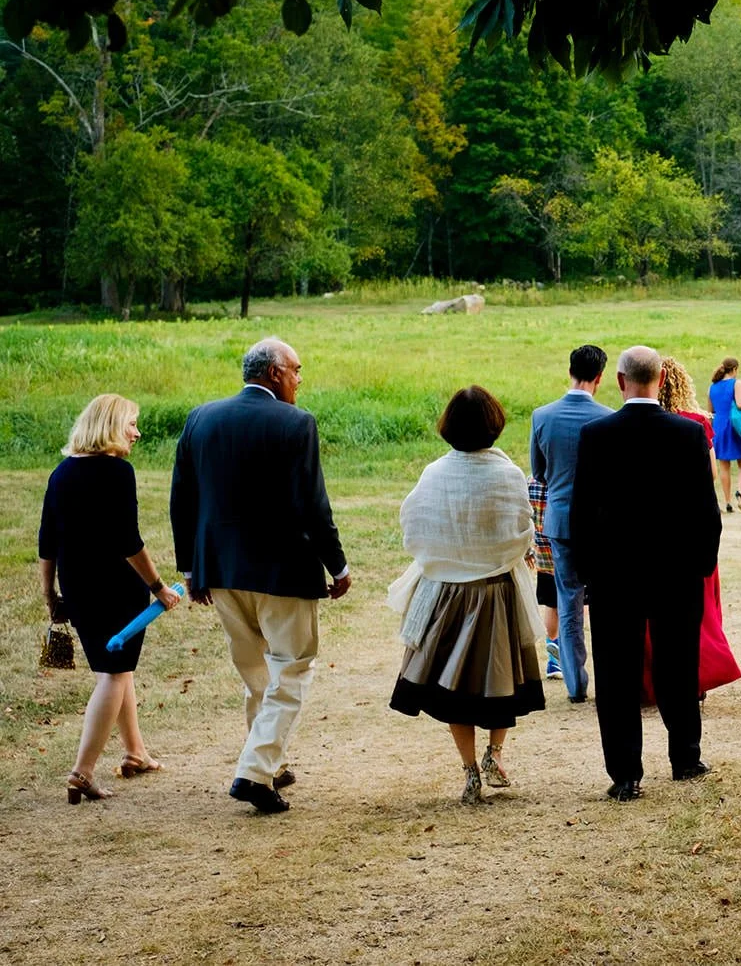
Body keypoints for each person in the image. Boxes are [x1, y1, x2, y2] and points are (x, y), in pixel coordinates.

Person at [170, 337, 351, 814]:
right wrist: (338, 564)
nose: (299, 379)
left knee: (254, 669)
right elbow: (313, 504)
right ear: (274, 373)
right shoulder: (296, 423)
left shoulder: (200, 418)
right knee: (291, 668)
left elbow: (182, 498)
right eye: (295, 370)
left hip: (222, 570)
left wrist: (190, 567)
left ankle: (269, 759)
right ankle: (254, 771)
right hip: (283, 570)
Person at [571, 347, 722, 801]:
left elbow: (580, 513)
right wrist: (701, 565)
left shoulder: (596, 435)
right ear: (660, 380)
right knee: (678, 665)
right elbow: (706, 513)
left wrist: (587, 573)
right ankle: (686, 757)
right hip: (676, 572)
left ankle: (624, 773)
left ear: (620, 381)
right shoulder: (686, 435)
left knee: (617, 674)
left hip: (615, 575)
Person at [388, 387, 545, 805]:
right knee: (502, 678)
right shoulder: (507, 474)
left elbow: (414, 526)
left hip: (447, 596)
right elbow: (521, 529)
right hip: (496, 593)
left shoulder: (434, 474)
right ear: (494, 424)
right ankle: (495, 753)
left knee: (452, 684)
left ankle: (470, 770)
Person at [40, 394, 183, 804]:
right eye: (131, 424)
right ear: (110, 426)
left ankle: (136, 752)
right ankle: (82, 772)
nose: (137, 432)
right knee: (114, 674)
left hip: (78, 588)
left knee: (118, 669)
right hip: (117, 589)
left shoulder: (61, 473)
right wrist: (159, 588)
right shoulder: (118, 472)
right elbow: (128, 543)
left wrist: (50, 595)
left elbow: (47, 543)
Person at [650, 359, 741, 706]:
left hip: (652, 528)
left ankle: (654, 680)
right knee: (698, 610)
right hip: (690, 527)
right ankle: (696, 678)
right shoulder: (697, 424)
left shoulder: (640, 423)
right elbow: (711, 478)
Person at [531, 344, 613, 704]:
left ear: (569, 371)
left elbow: (538, 472)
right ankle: (611, 676)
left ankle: (576, 684)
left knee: (568, 602)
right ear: (600, 377)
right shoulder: (608, 417)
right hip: (600, 522)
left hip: (560, 519)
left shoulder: (542, 415)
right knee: (607, 601)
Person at [527, 477, 562, 680]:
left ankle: (553, 661)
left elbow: (524, 520)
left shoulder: (531, 483)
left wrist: (528, 551)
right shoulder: (565, 479)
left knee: (552, 606)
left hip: (544, 557)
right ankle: (568, 661)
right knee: (572, 610)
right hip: (567, 553)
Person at [707, 357, 741, 514]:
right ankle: (739, 491)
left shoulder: (713, 387)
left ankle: (727, 501)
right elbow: (740, 404)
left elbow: (710, 410)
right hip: (734, 425)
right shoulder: (737, 383)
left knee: (724, 466)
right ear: (735, 369)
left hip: (719, 425)